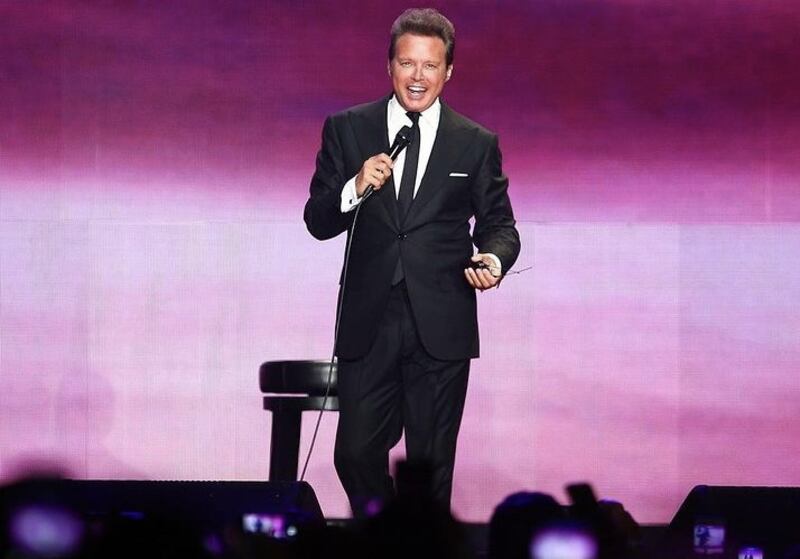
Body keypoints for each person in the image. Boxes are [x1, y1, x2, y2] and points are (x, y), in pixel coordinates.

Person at [304, 7, 520, 513]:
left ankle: (417, 541)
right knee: (354, 454)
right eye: (407, 63)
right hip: (370, 319)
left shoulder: (475, 143)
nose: (417, 76)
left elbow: (500, 224)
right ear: (389, 66)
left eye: (430, 65)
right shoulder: (348, 129)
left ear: (449, 71)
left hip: (441, 320)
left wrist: (493, 259)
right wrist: (354, 187)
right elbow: (317, 220)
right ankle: (386, 534)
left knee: (430, 467)